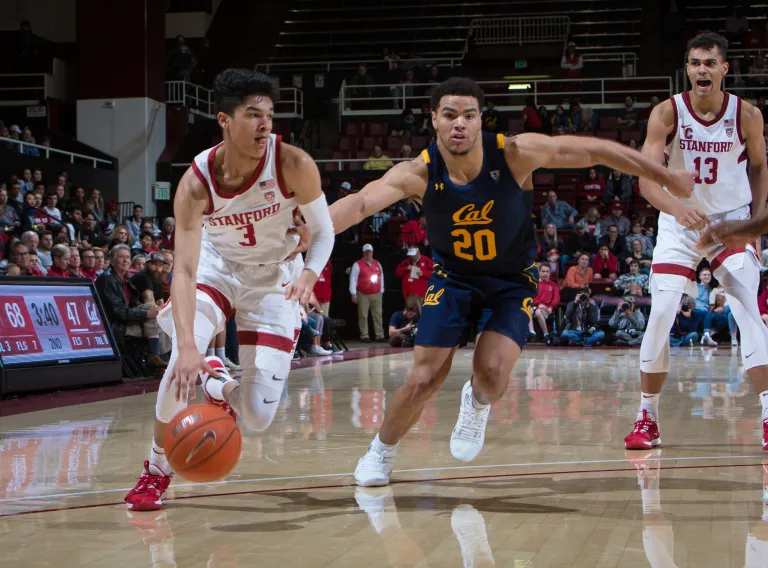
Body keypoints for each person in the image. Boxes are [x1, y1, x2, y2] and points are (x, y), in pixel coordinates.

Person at [328, 76, 694, 486]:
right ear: (434, 120)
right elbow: (359, 204)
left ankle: (478, 403)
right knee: (424, 378)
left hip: (510, 281)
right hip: (453, 278)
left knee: (492, 375)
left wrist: (662, 175)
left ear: (480, 118)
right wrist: (306, 234)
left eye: (468, 115)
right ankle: (380, 452)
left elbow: (595, 149)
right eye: (449, 115)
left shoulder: (514, 153)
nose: (459, 124)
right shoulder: (418, 172)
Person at [124, 68, 334, 510]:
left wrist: (310, 273)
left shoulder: (293, 163)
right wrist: (183, 345)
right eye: (252, 115)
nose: (264, 125)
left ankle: (218, 381)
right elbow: (182, 269)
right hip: (217, 268)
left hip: (274, 275)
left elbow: (325, 232)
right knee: (178, 368)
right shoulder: (196, 182)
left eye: (269, 116)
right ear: (224, 120)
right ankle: (156, 470)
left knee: (256, 417)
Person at [626, 32, 768, 452]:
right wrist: (674, 208)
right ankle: (646, 416)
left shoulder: (747, 115)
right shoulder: (666, 113)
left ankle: (767, 413)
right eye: (694, 63)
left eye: (709, 63)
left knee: (748, 311)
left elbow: (759, 167)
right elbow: (646, 182)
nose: (701, 70)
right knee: (662, 312)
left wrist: (756, 225)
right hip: (681, 224)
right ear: (687, 69)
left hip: (731, 223)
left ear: (725, 69)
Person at [349, 244, 385, 342]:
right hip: (363, 293)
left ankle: (379, 335)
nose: (368, 254)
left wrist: (381, 290)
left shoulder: (377, 263)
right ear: (364, 253)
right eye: (366, 252)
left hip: (376, 293)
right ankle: (364, 335)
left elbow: (381, 277)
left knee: (378, 314)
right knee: (363, 315)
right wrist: (353, 293)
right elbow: (353, 278)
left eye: (370, 252)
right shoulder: (358, 264)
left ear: (372, 252)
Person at [395, 247, 433, 312]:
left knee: (422, 314)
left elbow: (434, 274)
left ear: (418, 252)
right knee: (410, 315)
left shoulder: (427, 261)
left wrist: (423, 273)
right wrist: (406, 268)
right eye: (411, 255)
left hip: (422, 295)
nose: (413, 257)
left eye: (414, 255)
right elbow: (397, 272)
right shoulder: (406, 262)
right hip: (409, 295)